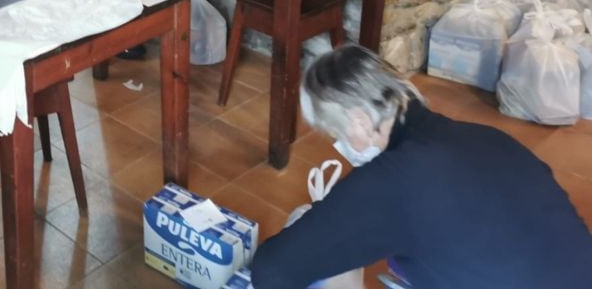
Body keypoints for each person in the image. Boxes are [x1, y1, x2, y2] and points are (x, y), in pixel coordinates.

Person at [250, 45, 592, 289]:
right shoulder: (488, 138)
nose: (341, 146)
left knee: (308, 235)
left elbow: (274, 269)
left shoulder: (397, 180)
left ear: (359, 121)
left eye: (337, 133)